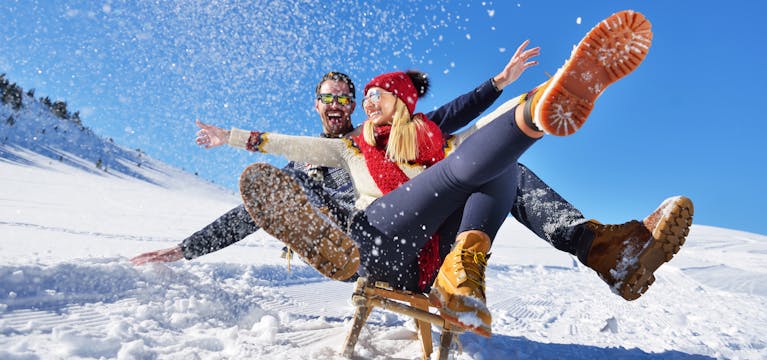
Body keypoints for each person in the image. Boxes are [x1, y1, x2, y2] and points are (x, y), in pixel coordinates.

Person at [184, 11, 693, 337]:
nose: (343, 104)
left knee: (498, 167)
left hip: (426, 244)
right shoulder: (332, 151)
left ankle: (599, 248)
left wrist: (501, 84)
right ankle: (332, 246)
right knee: (461, 170)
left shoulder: (403, 132)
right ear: (318, 104)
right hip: (369, 239)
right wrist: (186, 248)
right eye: (331, 98)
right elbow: (258, 206)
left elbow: (455, 114)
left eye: (351, 96)